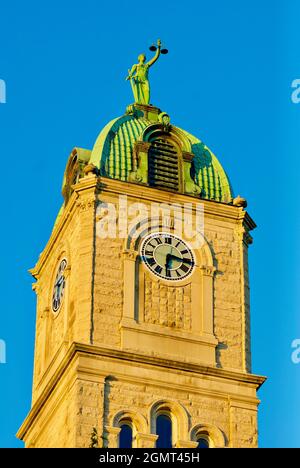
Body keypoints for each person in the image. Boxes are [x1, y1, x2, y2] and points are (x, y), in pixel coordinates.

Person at [126, 39, 161, 105]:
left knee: (147, 90)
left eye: (144, 57)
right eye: (142, 56)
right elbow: (131, 73)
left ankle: (147, 104)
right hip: (138, 79)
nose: (144, 57)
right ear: (139, 58)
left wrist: (158, 47)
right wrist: (129, 76)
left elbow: (156, 57)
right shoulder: (136, 65)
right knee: (138, 92)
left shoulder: (147, 65)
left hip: (145, 80)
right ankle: (139, 103)